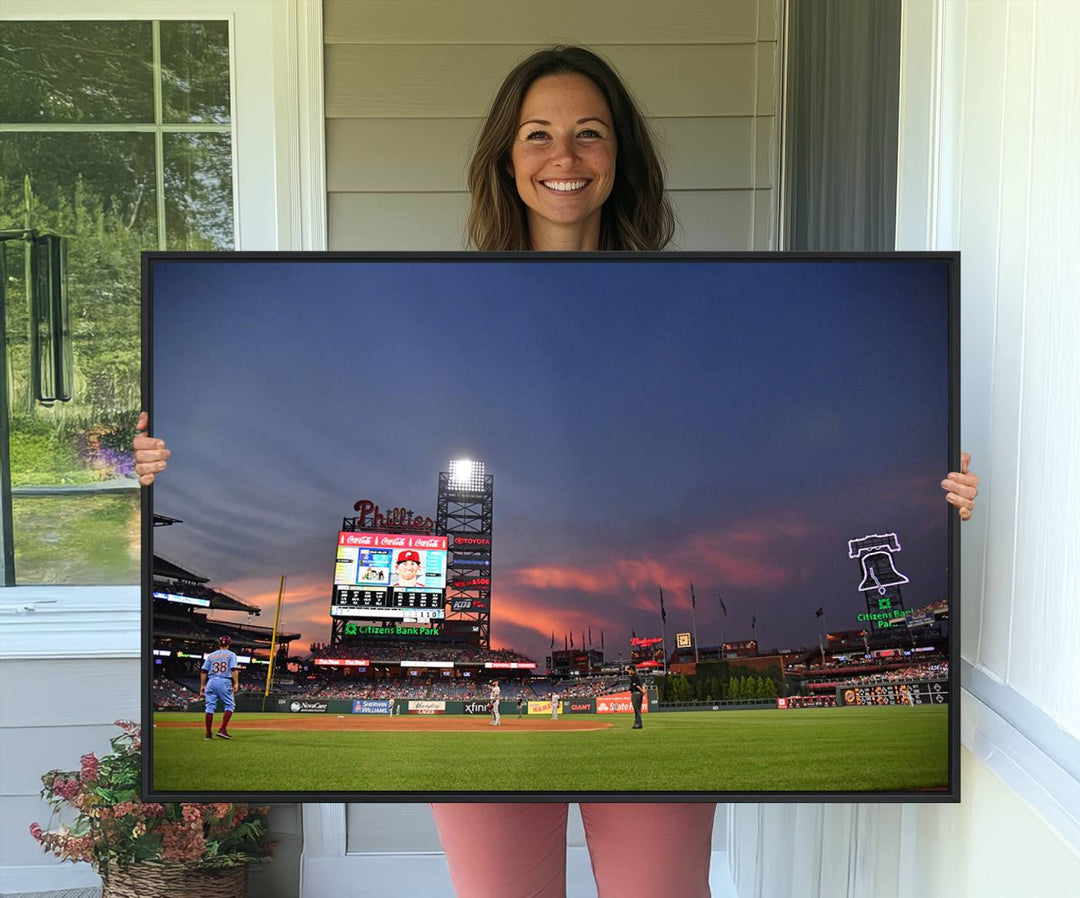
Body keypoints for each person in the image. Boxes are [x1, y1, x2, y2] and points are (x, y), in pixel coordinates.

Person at [135, 43, 981, 898]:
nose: (563, 157)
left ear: (620, 158)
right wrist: (158, 464)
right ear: (507, 157)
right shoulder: (447, 311)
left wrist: (931, 487)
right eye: (538, 134)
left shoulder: (680, 307)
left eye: (589, 133)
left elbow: (798, 443)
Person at [201, 634, 238, 740]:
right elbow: (234, 669)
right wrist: (236, 683)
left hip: (211, 681)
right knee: (230, 706)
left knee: (209, 708)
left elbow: (203, 671)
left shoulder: (211, 655)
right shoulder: (231, 655)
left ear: (218, 643)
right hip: (224, 681)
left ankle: (208, 734)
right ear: (229, 644)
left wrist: (202, 685)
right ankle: (222, 729)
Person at [627, 665, 645, 729]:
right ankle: (639, 724)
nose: (628, 671)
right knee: (638, 710)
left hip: (635, 693)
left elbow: (636, 685)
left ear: (632, 670)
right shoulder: (639, 676)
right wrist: (643, 690)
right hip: (640, 694)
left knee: (636, 710)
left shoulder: (633, 676)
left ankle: (637, 724)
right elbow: (642, 684)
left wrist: (642, 690)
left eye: (629, 670)